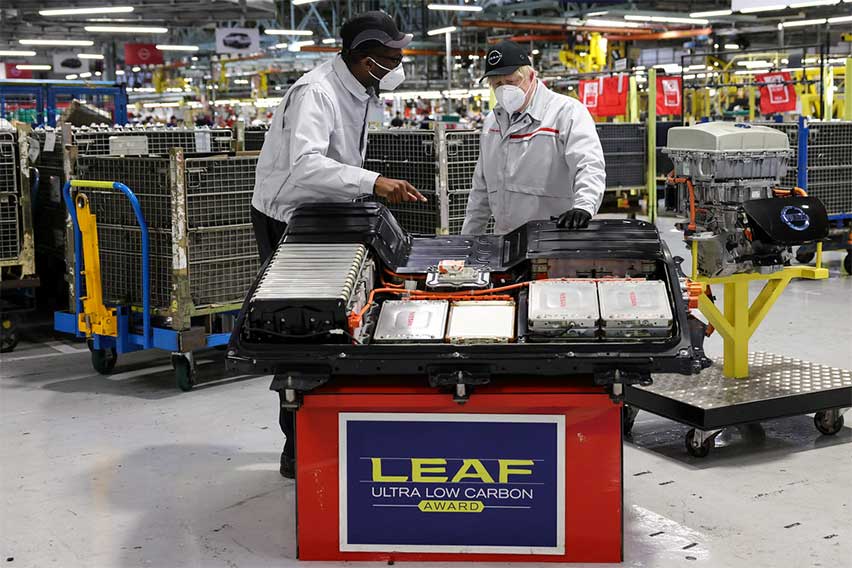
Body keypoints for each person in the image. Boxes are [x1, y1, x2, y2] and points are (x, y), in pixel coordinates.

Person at [250, 10, 425, 479]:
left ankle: (335, 427)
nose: (398, 63)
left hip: (324, 208)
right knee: (300, 325)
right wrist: (373, 183)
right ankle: (297, 447)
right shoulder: (316, 93)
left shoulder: (360, 87)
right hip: (287, 214)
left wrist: (363, 188)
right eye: (391, 57)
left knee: (344, 312)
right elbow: (306, 165)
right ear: (365, 58)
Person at [461, 40, 606, 235]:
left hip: (553, 238)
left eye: (510, 82)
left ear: (531, 75)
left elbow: (589, 165)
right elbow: (481, 190)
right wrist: (467, 241)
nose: (504, 90)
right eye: (497, 85)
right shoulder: (492, 123)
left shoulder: (566, 113)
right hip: (506, 240)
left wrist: (584, 206)